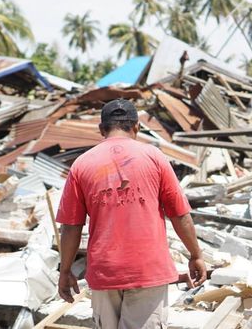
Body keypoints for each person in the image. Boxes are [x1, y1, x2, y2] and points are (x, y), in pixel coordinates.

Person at [56, 98, 206, 328]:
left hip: (105, 272)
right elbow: (179, 214)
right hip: (148, 269)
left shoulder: (81, 164)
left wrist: (65, 270)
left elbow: (71, 226)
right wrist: (196, 255)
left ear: (101, 129)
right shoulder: (154, 157)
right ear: (136, 127)